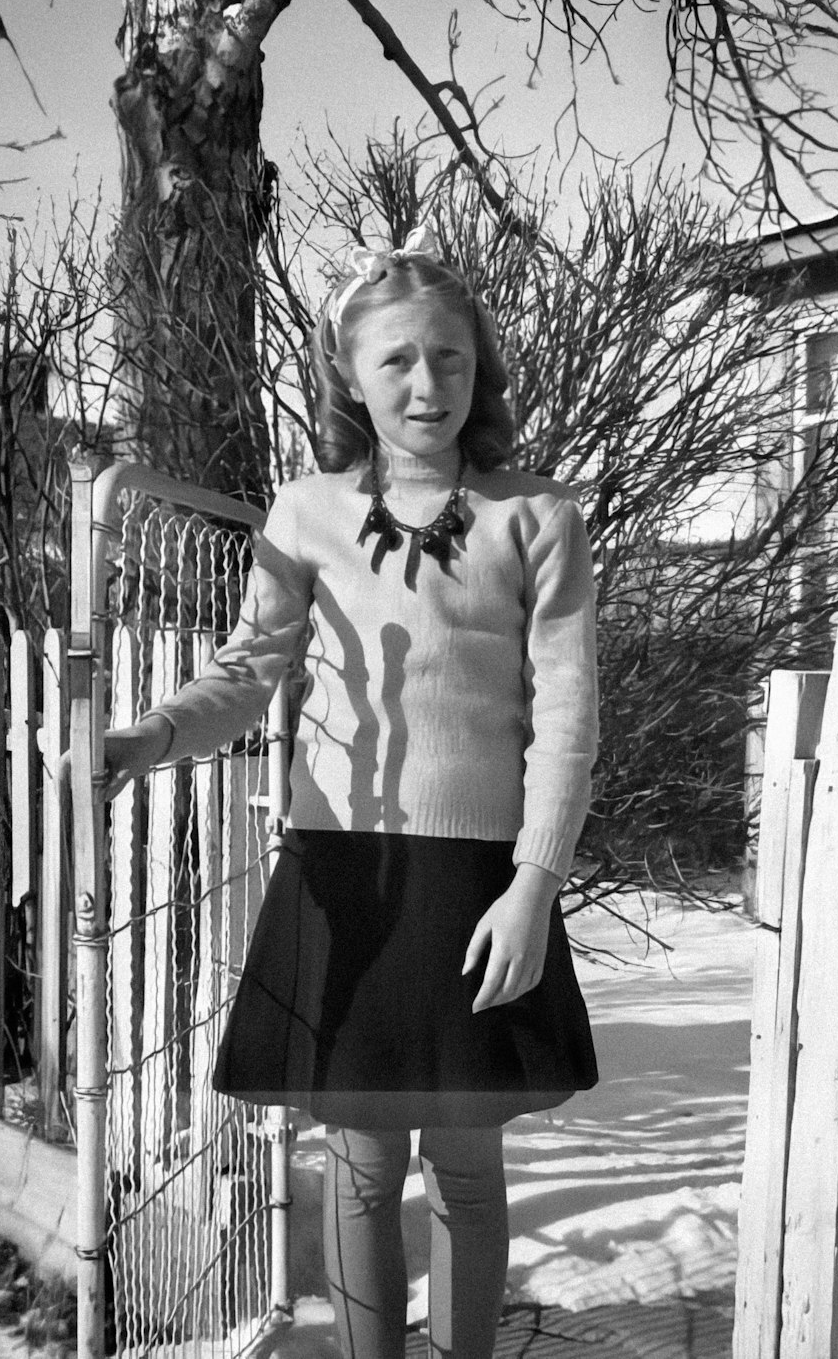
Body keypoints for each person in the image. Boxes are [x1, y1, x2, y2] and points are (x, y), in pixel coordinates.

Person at [101, 227, 600, 1359]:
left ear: (481, 368)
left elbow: (567, 714)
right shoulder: (302, 511)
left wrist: (533, 884)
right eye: (398, 362)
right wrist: (154, 733)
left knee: (466, 1167)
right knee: (364, 1167)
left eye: (452, 358)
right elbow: (248, 667)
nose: (428, 384)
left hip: (481, 881)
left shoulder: (538, 516)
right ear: (351, 375)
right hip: (345, 873)